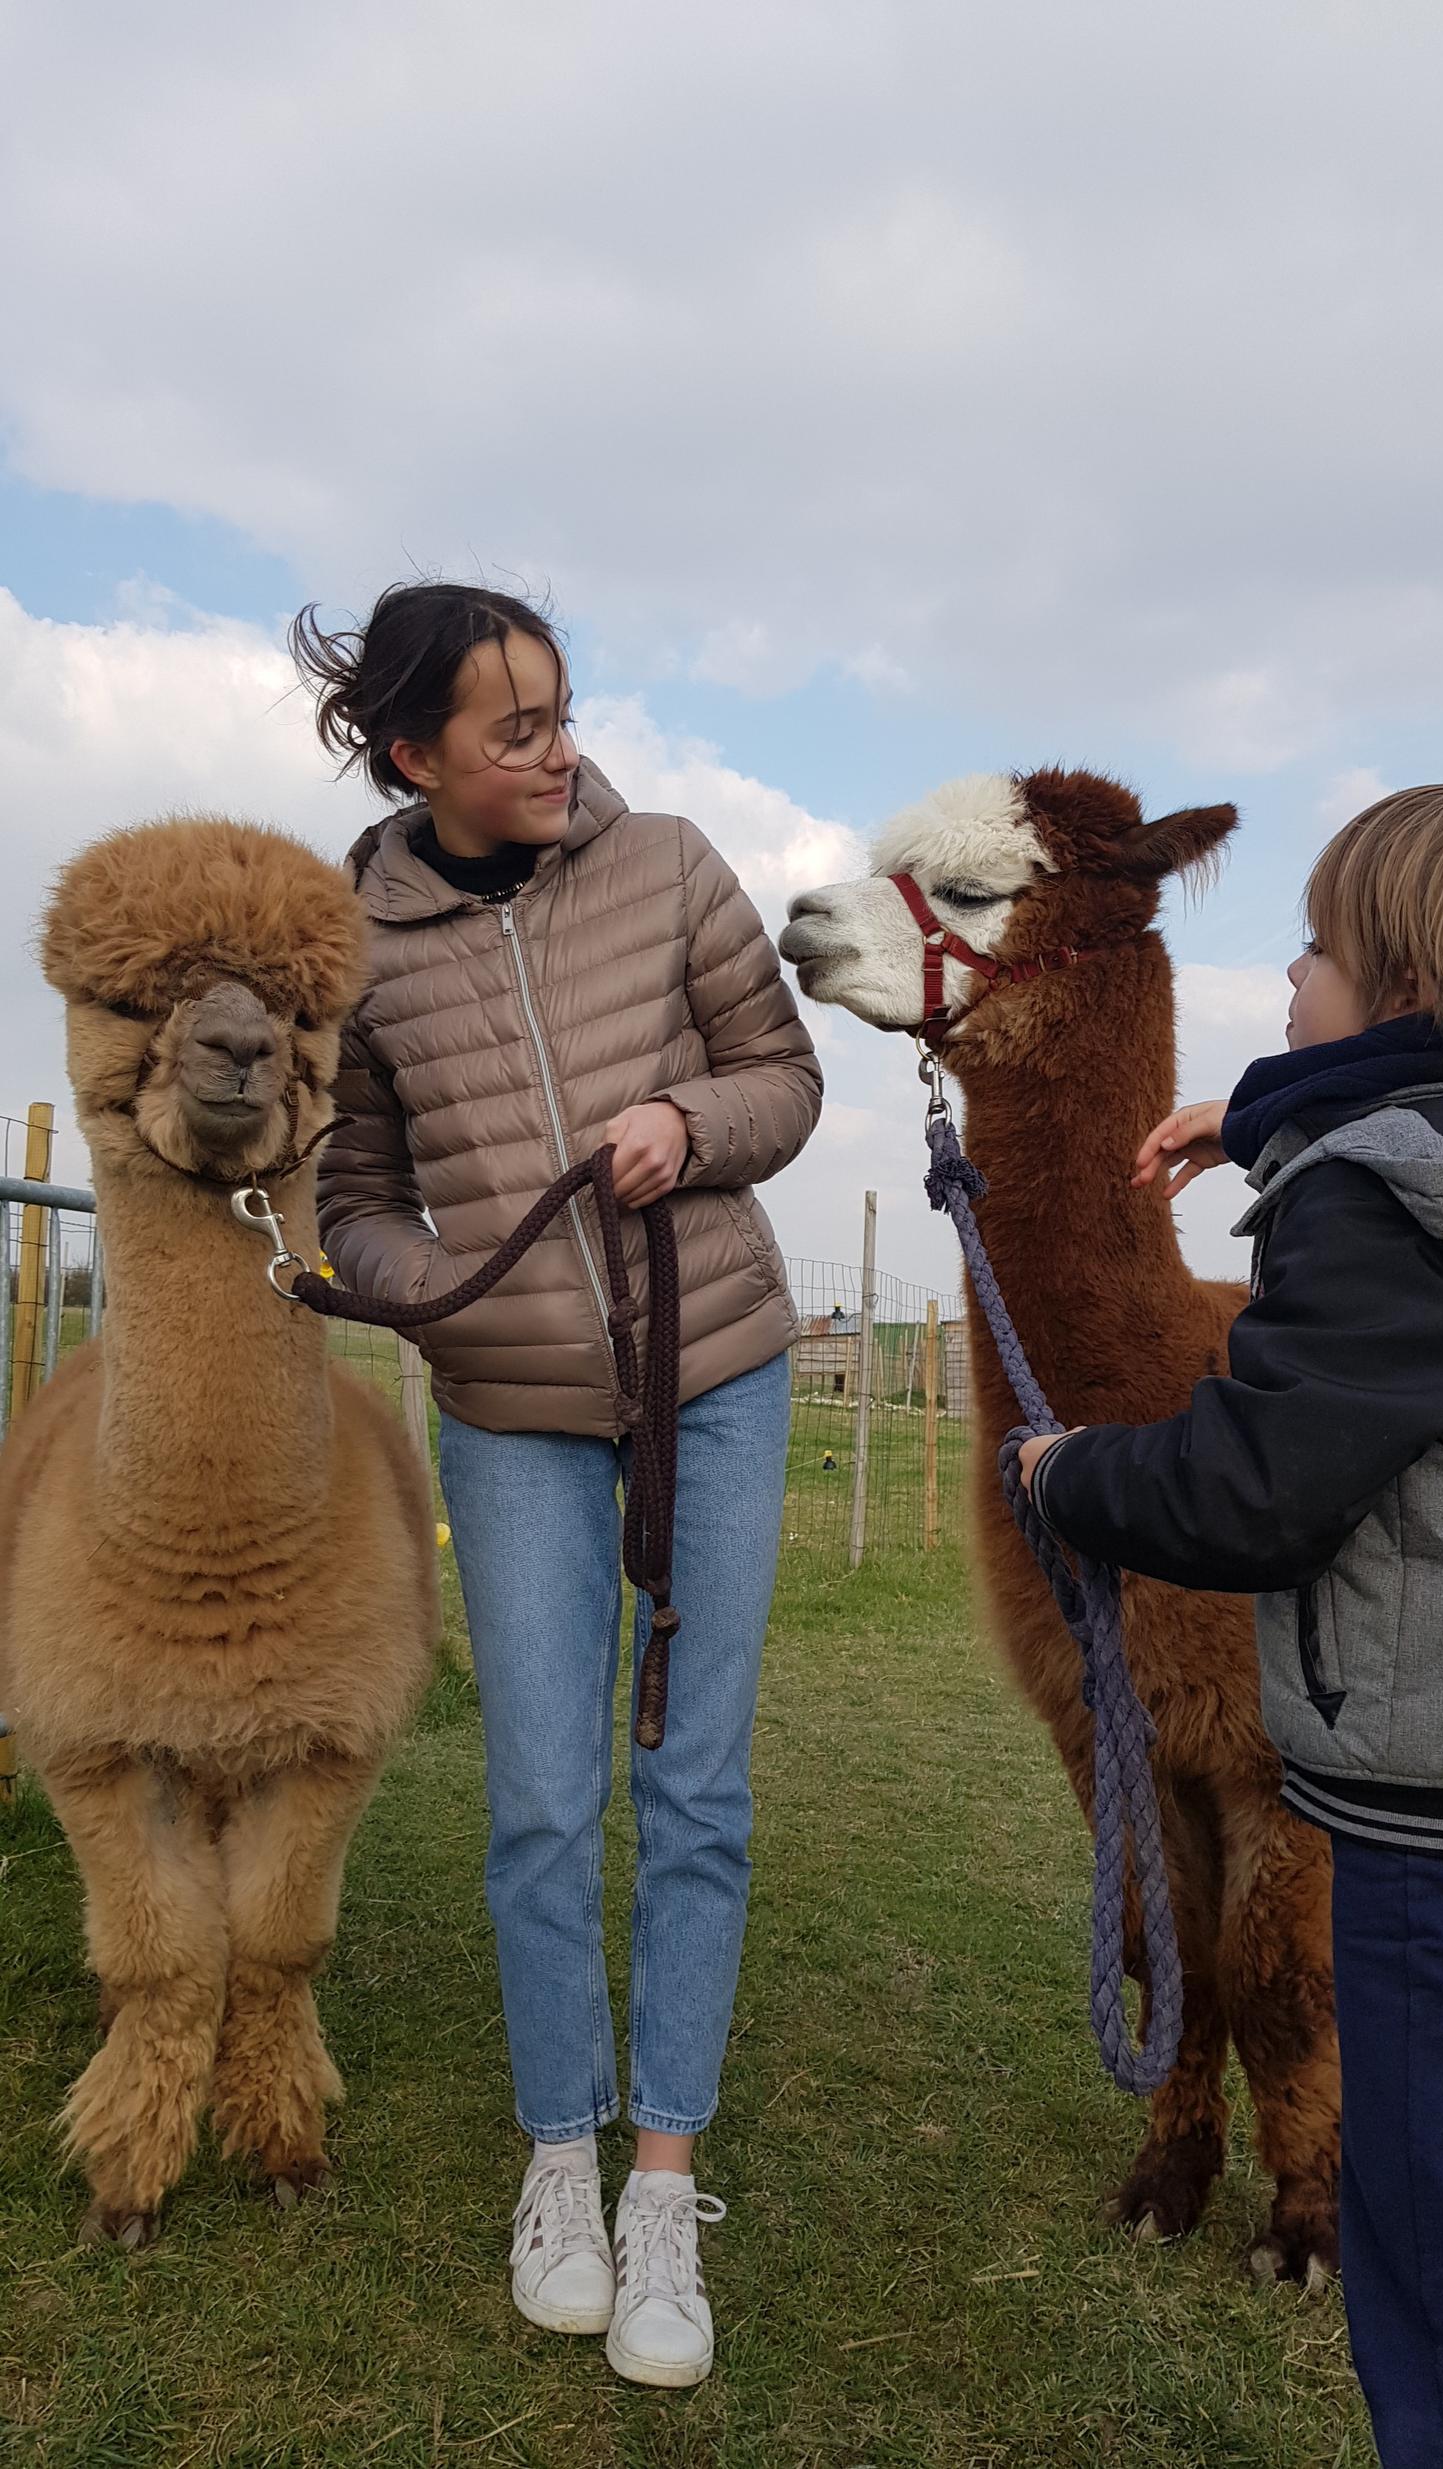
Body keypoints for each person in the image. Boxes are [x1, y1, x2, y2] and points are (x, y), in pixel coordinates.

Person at [1018, 785, 1443, 2468]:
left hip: (1442, 1829)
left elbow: (1251, 1489)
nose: (1287, 965)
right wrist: (1277, 1120)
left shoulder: (1379, 1213)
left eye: (1322, 945)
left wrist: (1073, 1475)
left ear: (1408, 981)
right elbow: (1436, 1144)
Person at [291, 582, 822, 2390]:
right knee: (538, 1798)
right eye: (511, 729)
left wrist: (693, 1125)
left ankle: (664, 2173)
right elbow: (348, 1192)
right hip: (509, 1410)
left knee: (698, 1788)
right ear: (412, 751)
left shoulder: (669, 865)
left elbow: (785, 1076)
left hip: (720, 1377)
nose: (556, 751)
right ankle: (559, 2163)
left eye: (562, 712)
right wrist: (428, 1285)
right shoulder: (356, 944)